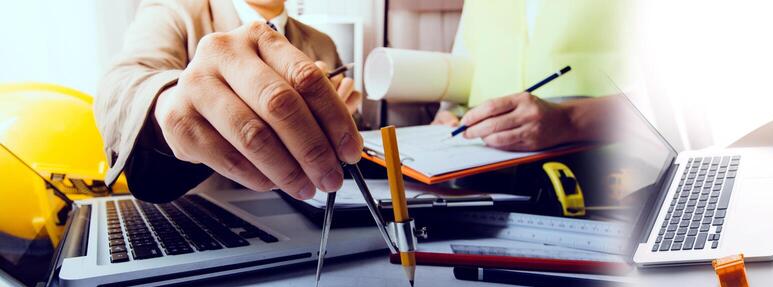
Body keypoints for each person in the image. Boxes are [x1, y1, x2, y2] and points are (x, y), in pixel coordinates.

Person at [95, 0, 362, 203]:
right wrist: (168, 104)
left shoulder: (322, 42)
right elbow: (121, 83)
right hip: (200, 218)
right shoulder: (174, 10)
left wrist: (341, 115)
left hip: (305, 224)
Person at [428, 0, 630, 151]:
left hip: (612, 181)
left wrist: (569, 121)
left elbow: (659, 106)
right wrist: (449, 116)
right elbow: (464, 73)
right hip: (487, 182)